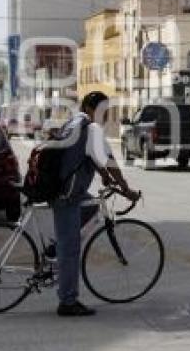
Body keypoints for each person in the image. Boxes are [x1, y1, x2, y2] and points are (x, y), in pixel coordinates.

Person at [52, 91, 139, 317]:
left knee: (91, 207)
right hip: (66, 194)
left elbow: (88, 156)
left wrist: (103, 174)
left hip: (65, 189)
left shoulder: (74, 122)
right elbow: (111, 162)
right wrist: (126, 190)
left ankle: (55, 247)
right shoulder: (91, 128)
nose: (106, 115)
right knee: (71, 249)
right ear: (92, 108)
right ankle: (67, 302)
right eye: (104, 110)